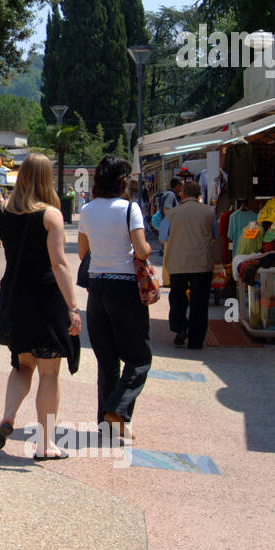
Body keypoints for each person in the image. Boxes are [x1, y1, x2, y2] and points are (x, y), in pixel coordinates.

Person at [0, 153, 81, 460]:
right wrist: (73, 306)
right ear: (46, 178)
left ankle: (8, 416)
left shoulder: (2, 210)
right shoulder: (50, 216)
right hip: (44, 296)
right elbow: (59, 263)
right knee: (50, 372)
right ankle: (45, 444)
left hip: (14, 295)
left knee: (22, 363)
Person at [77, 156, 152, 442]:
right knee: (139, 358)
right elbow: (143, 250)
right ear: (122, 181)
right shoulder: (129, 209)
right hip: (125, 290)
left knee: (106, 361)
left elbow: (84, 253)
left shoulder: (86, 210)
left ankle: (107, 424)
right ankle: (117, 410)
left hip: (97, 289)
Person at [166, 179, 217, 349]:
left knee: (178, 298)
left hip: (178, 263)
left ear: (183, 194)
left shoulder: (172, 213)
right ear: (199, 195)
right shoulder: (210, 212)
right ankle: (196, 340)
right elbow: (215, 234)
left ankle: (180, 328)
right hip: (202, 263)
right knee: (200, 302)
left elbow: (163, 236)